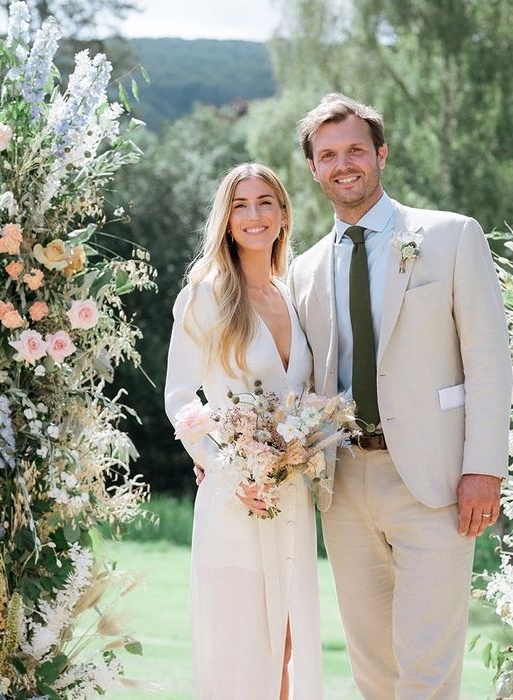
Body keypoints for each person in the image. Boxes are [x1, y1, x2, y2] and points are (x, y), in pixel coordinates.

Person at [287, 94, 512, 700]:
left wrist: (484, 468)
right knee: (373, 667)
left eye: (356, 149)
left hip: (433, 481)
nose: (344, 164)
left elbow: (490, 364)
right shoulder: (304, 270)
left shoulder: (450, 236)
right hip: (344, 485)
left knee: (428, 665)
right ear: (314, 168)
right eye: (328, 155)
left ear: (380, 153)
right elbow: (303, 381)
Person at [164, 163, 323, 699]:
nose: (253, 215)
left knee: (287, 644)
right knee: (243, 650)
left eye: (264, 203)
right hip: (236, 496)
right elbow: (181, 399)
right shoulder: (205, 297)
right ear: (227, 221)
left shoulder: (294, 295)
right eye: (240, 205)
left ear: (282, 214)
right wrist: (223, 466)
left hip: (292, 496)